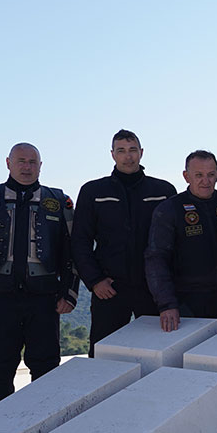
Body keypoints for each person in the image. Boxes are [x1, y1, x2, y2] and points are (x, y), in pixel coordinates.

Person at [0, 143, 78, 408]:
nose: (27, 167)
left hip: (45, 300)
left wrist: (69, 293)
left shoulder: (59, 201)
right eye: (21, 161)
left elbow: (72, 250)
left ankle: (46, 424)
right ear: (8, 163)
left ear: (40, 166)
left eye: (32, 162)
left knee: (47, 368)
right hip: (0, 297)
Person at [71, 129, 177, 351]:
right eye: (121, 151)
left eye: (132, 150)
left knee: (157, 352)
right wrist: (95, 281)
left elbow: (176, 242)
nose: (128, 156)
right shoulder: (93, 191)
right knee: (103, 353)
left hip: (153, 289)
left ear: (141, 152)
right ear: (112, 154)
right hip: (109, 288)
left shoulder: (163, 190)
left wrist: (169, 289)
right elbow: (80, 241)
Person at [144, 150, 217, 333]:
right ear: (186, 176)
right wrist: (167, 304)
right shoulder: (169, 209)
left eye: (211, 175)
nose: (206, 181)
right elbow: (156, 259)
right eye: (198, 175)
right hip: (188, 303)